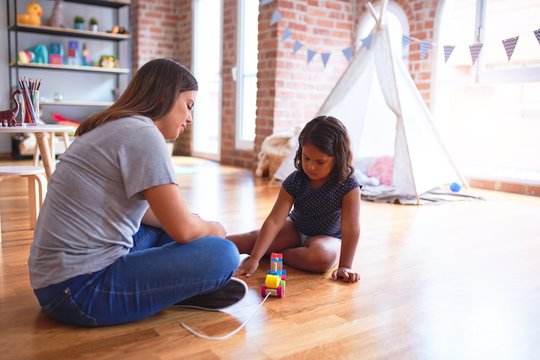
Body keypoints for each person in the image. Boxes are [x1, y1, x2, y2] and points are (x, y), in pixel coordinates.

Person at [28, 58, 244, 327]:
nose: (189, 118)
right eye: (188, 106)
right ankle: (174, 289)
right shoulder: (142, 133)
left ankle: (169, 287)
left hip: (52, 281)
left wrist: (191, 221)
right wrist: (214, 228)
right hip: (80, 292)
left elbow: (154, 215)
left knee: (164, 228)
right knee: (223, 253)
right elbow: (184, 231)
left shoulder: (116, 125)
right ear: (165, 96)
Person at [229, 115, 362, 283]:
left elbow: (351, 228)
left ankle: (275, 253)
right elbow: (275, 221)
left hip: (328, 238)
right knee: (250, 240)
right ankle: (205, 242)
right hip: (296, 228)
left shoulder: (348, 185)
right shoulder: (296, 180)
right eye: (306, 158)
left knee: (322, 257)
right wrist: (255, 257)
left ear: (338, 158)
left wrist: (345, 266)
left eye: (320, 162)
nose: (311, 167)